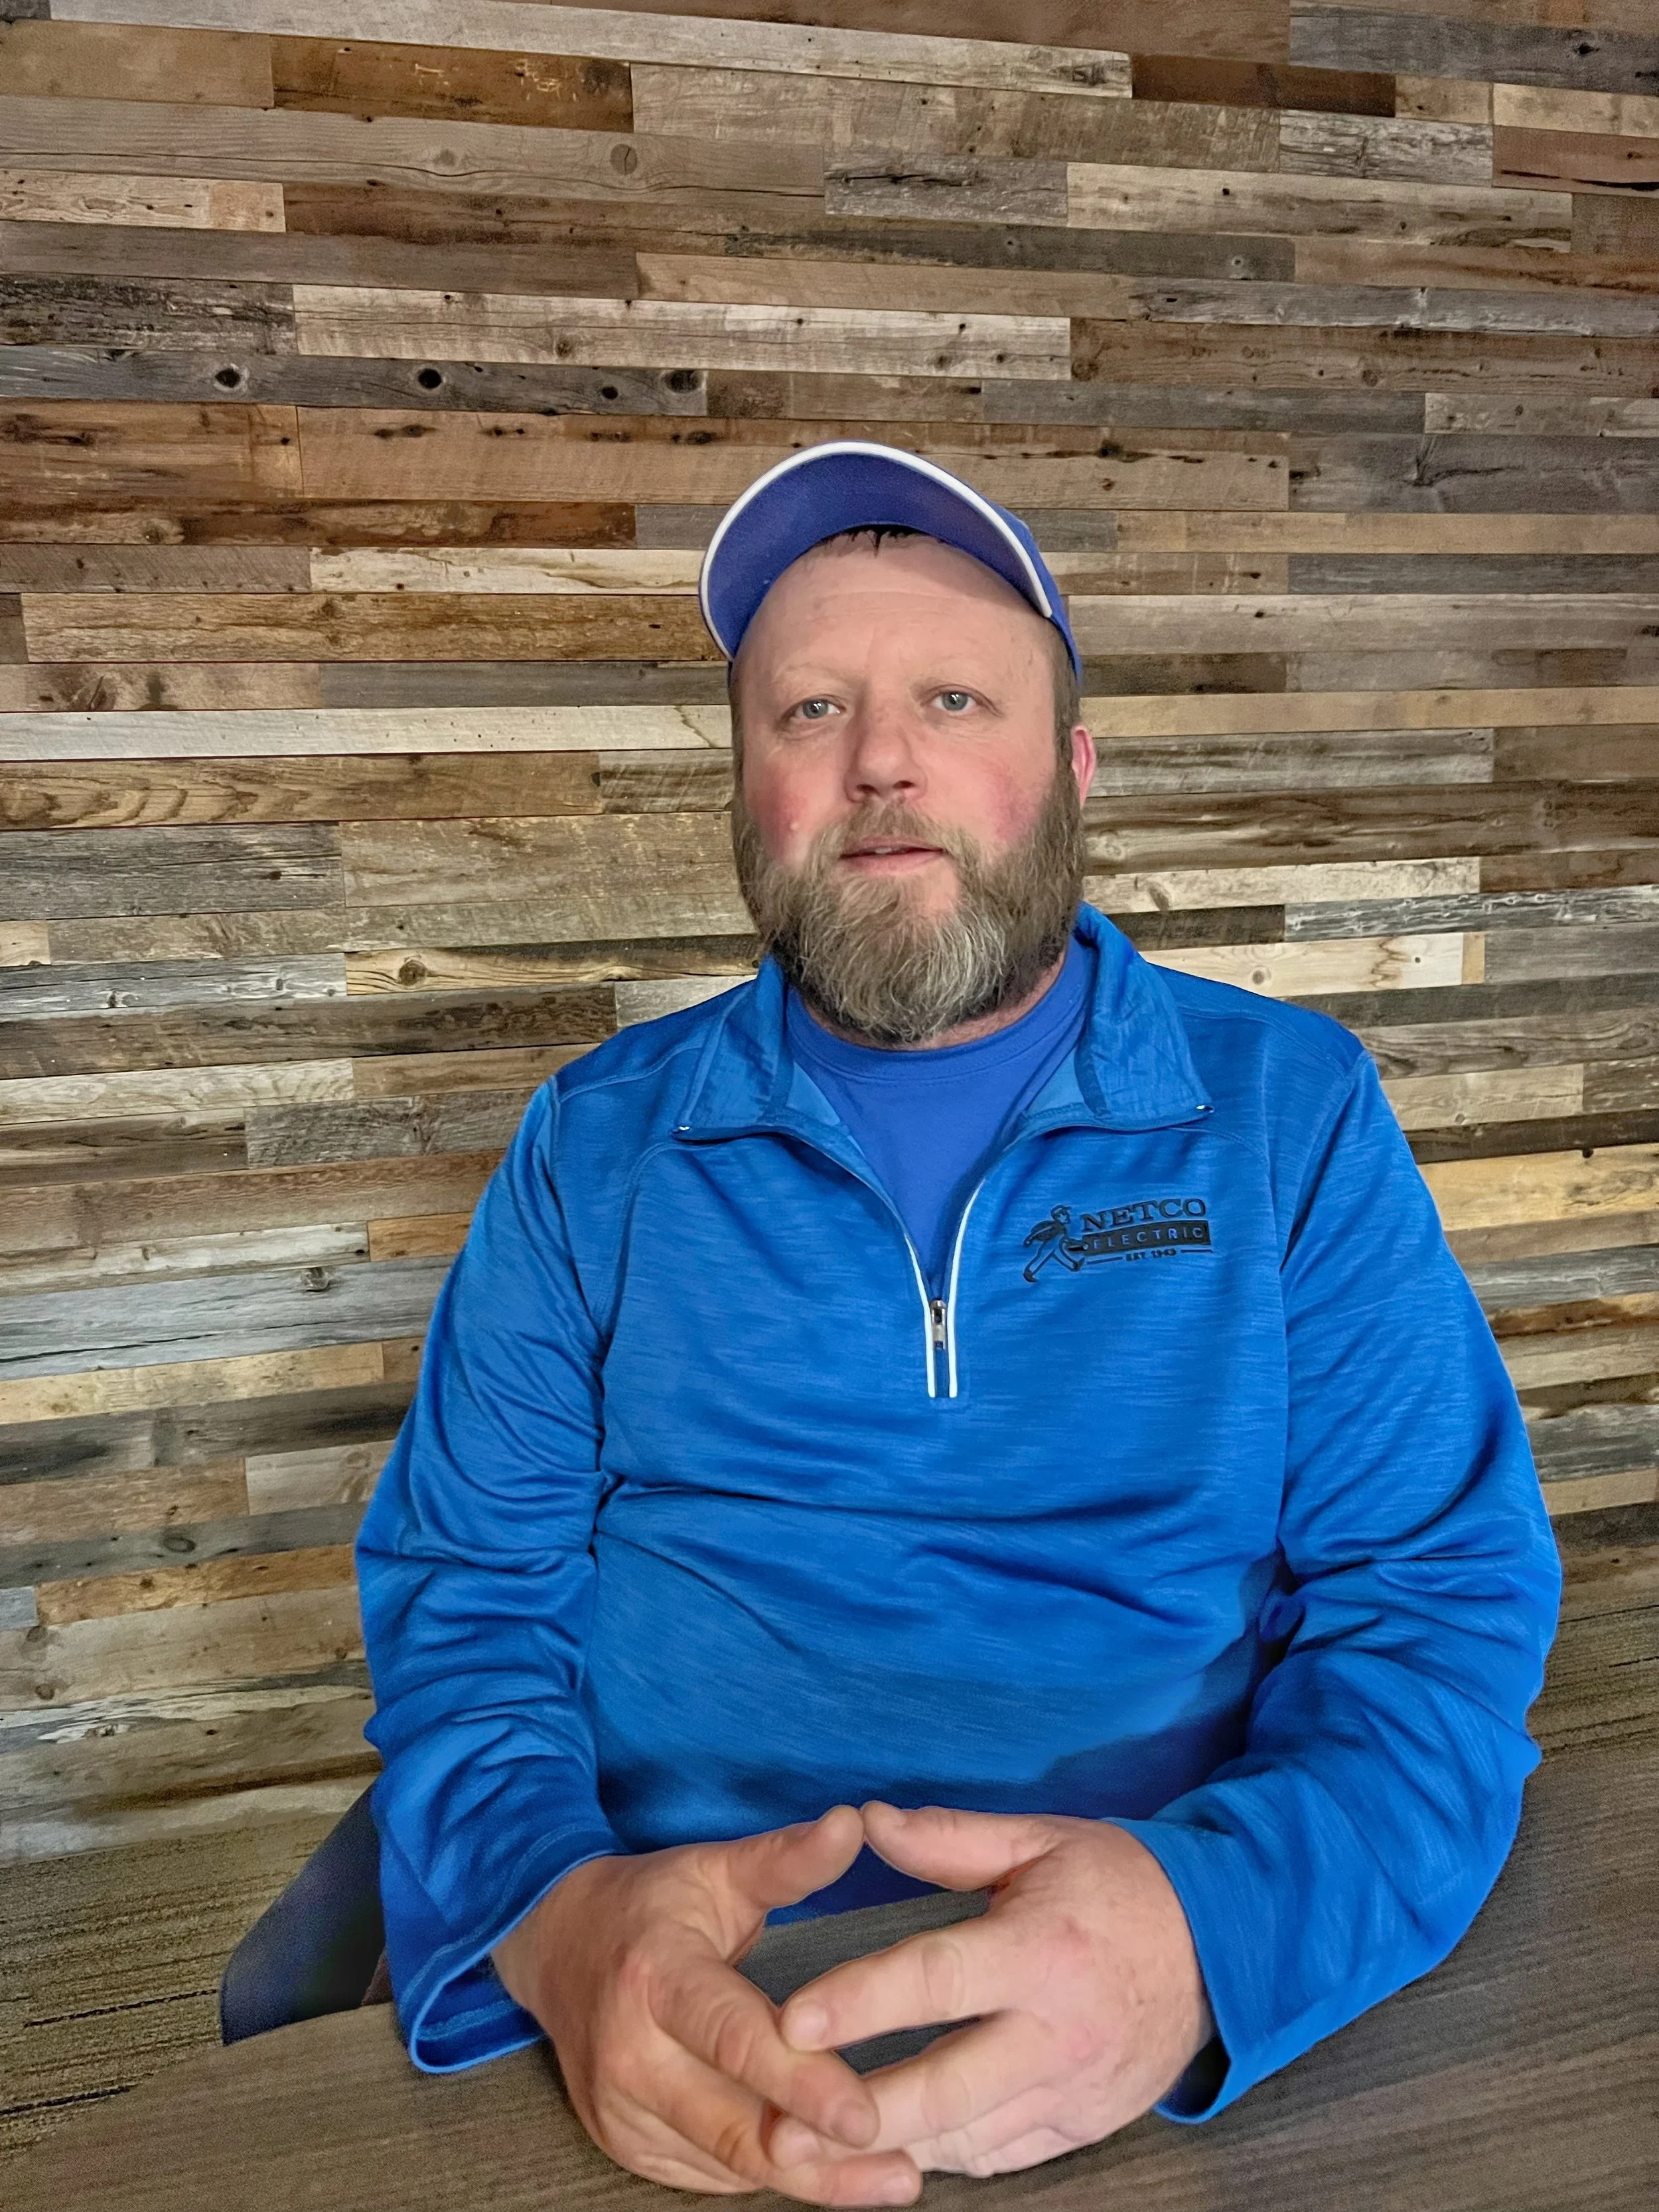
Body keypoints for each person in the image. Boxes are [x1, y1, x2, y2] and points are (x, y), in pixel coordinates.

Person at [354, 441, 1562, 2203]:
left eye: (948, 697)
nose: (880, 760)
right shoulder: (590, 1146)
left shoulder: (1286, 1117)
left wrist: (1206, 1928)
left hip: (1163, 1987)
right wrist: (550, 1912)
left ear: (1071, 767)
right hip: (672, 2007)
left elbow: (1435, 1613)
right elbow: (466, 1607)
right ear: (743, 788)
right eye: (807, 710)